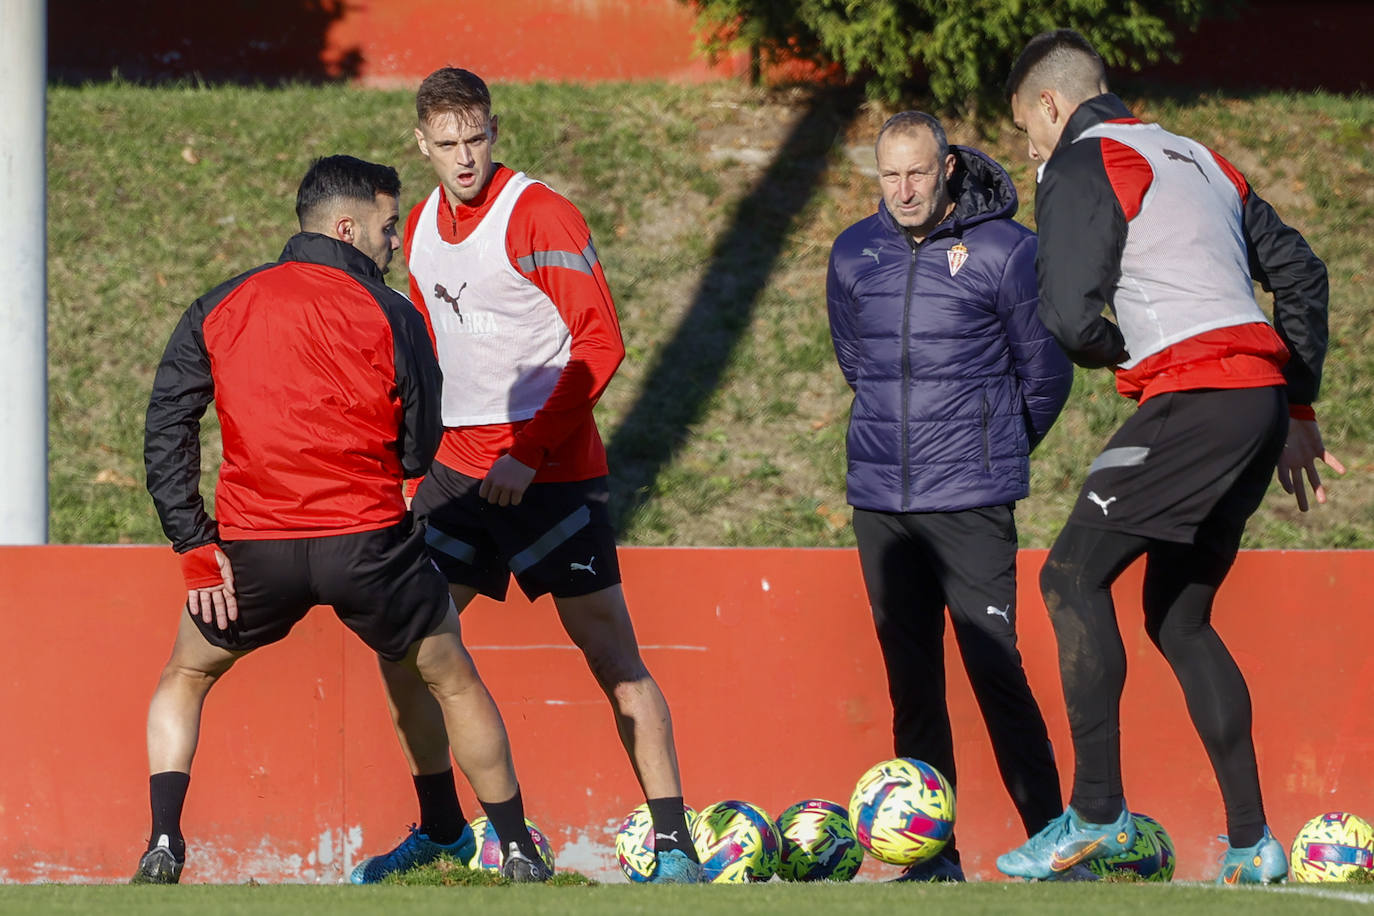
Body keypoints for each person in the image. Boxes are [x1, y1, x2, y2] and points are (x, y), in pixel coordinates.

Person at [137, 155, 545, 885]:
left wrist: (195, 544)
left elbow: (168, 423)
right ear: (349, 227)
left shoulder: (221, 303)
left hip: (255, 552)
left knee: (184, 675)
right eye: (390, 227)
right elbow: (421, 444)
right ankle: (517, 850)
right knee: (451, 680)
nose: (395, 242)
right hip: (368, 547)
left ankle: (164, 844)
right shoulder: (393, 313)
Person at [997, 30, 1342, 884]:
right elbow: (1303, 272)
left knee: (1068, 579)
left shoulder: (1079, 161)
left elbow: (1071, 319)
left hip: (1196, 398)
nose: (1027, 149)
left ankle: (1098, 811)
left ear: (1051, 104)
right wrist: (1293, 400)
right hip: (1253, 406)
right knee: (1178, 619)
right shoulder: (1199, 156)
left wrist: (1130, 356)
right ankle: (1255, 844)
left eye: (1024, 129)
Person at [363, 66, 701, 884]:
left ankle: (674, 849)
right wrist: (413, 463)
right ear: (422, 145)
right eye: (446, 145)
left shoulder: (539, 212)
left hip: (549, 476)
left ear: (494, 130)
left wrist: (530, 452)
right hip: (457, 474)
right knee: (406, 646)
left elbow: (601, 344)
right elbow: (428, 356)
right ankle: (448, 831)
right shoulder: (420, 231)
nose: (464, 158)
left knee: (614, 662)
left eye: (476, 138)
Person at [826, 111, 1075, 882]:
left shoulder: (1008, 249)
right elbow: (853, 360)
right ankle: (934, 862)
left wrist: (990, 445)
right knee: (913, 685)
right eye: (890, 175)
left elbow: (1048, 371)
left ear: (947, 171)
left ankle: (1057, 846)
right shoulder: (851, 252)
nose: (904, 190)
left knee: (996, 671)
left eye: (918, 173)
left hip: (971, 500)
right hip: (882, 505)